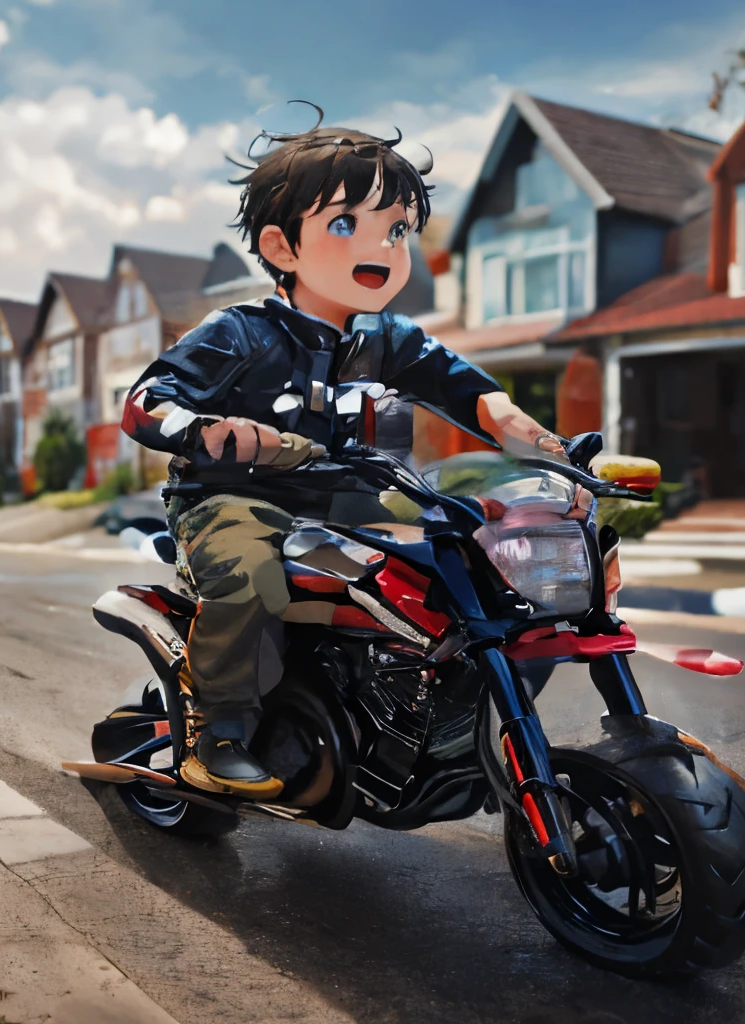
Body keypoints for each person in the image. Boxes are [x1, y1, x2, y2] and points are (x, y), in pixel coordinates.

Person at [121, 106, 564, 799]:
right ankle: (221, 732)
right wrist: (211, 430)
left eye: (397, 231)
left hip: (348, 497)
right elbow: (146, 401)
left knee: (480, 550)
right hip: (233, 498)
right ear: (281, 246)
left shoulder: (390, 339)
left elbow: (475, 397)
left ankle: (447, 715)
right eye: (345, 225)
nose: (383, 248)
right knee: (248, 570)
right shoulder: (240, 331)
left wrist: (550, 446)